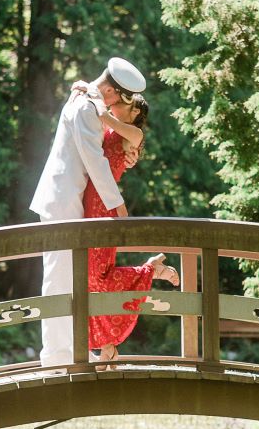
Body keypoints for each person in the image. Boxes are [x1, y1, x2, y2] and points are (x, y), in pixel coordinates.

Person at [29, 56, 147, 367]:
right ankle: (56, 360)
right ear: (110, 89)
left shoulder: (88, 102)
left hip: (70, 201)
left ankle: (69, 354)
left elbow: (107, 152)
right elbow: (94, 161)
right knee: (58, 281)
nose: (112, 104)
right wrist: (119, 208)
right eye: (115, 98)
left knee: (70, 280)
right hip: (62, 200)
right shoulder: (85, 107)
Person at [81, 94, 179, 365]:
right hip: (90, 202)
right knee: (90, 277)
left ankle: (149, 270)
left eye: (124, 100)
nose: (115, 101)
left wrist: (89, 94)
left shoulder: (133, 133)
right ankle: (106, 346)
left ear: (135, 110)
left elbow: (103, 116)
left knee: (96, 277)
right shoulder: (111, 129)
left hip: (104, 205)